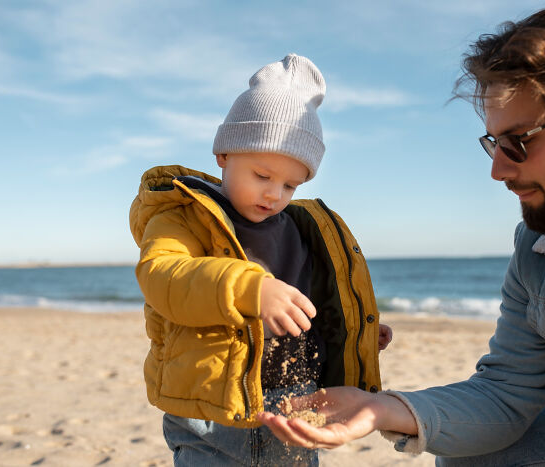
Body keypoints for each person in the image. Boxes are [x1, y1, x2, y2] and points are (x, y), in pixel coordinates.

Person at [258, 5, 545, 465]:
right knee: (469, 455)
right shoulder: (540, 249)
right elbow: (506, 392)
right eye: (493, 143)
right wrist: (382, 407)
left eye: (520, 141)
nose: (497, 169)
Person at [129, 53, 391, 466]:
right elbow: (164, 277)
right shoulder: (184, 216)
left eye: (290, 184)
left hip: (294, 399)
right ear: (224, 154)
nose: (274, 194)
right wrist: (251, 288)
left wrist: (350, 330)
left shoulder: (302, 228)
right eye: (262, 176)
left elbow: (311, 301)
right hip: (213, 409)